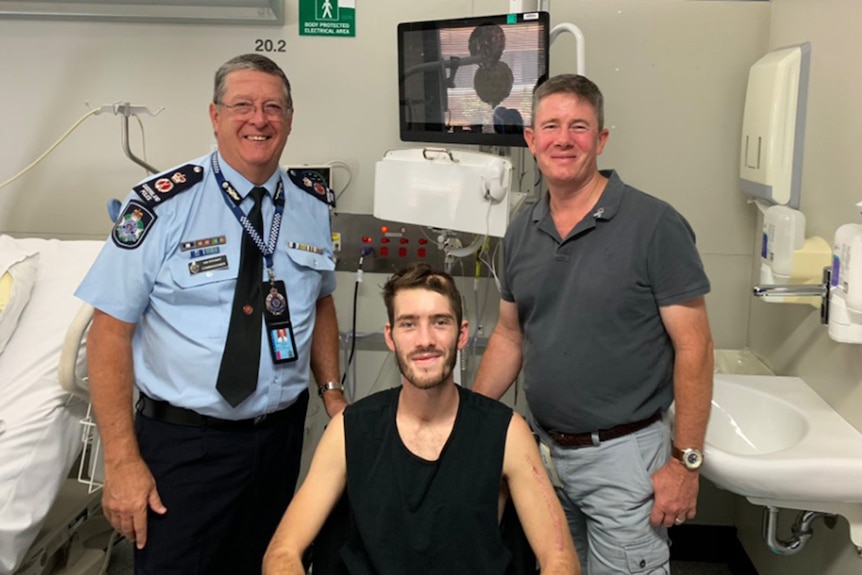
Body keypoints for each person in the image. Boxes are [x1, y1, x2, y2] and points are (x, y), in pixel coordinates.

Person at [75, 53, 346, 575]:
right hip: (183, 447)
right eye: (242, 105)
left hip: (280, 440)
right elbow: (108, 333)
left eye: (273, 107)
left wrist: (332, 390)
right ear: (215, 115)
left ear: (289, 119)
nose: (258, 119)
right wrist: (121, 462)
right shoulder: (160, 205)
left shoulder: (312, 205)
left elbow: (322, 301)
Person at [472, 74, 714, 574]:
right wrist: (466, 418)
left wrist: (686, 463)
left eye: (579, 127)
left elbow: (696, 349)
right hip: (545, 457)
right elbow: (509, 335)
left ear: (601, 139)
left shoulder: (654, 225)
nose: (564, 139)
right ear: (531, 139)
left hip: (625, 462)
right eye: (551, 126)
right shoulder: (521, 230)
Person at [263, 263, 579, 575]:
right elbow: (283, 552)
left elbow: (561, 560)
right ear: (391, 336)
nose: (424, 340)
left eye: (440, 322)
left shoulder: (506, 433)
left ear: (462, 333)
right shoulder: (350, 430)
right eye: (409, 324)